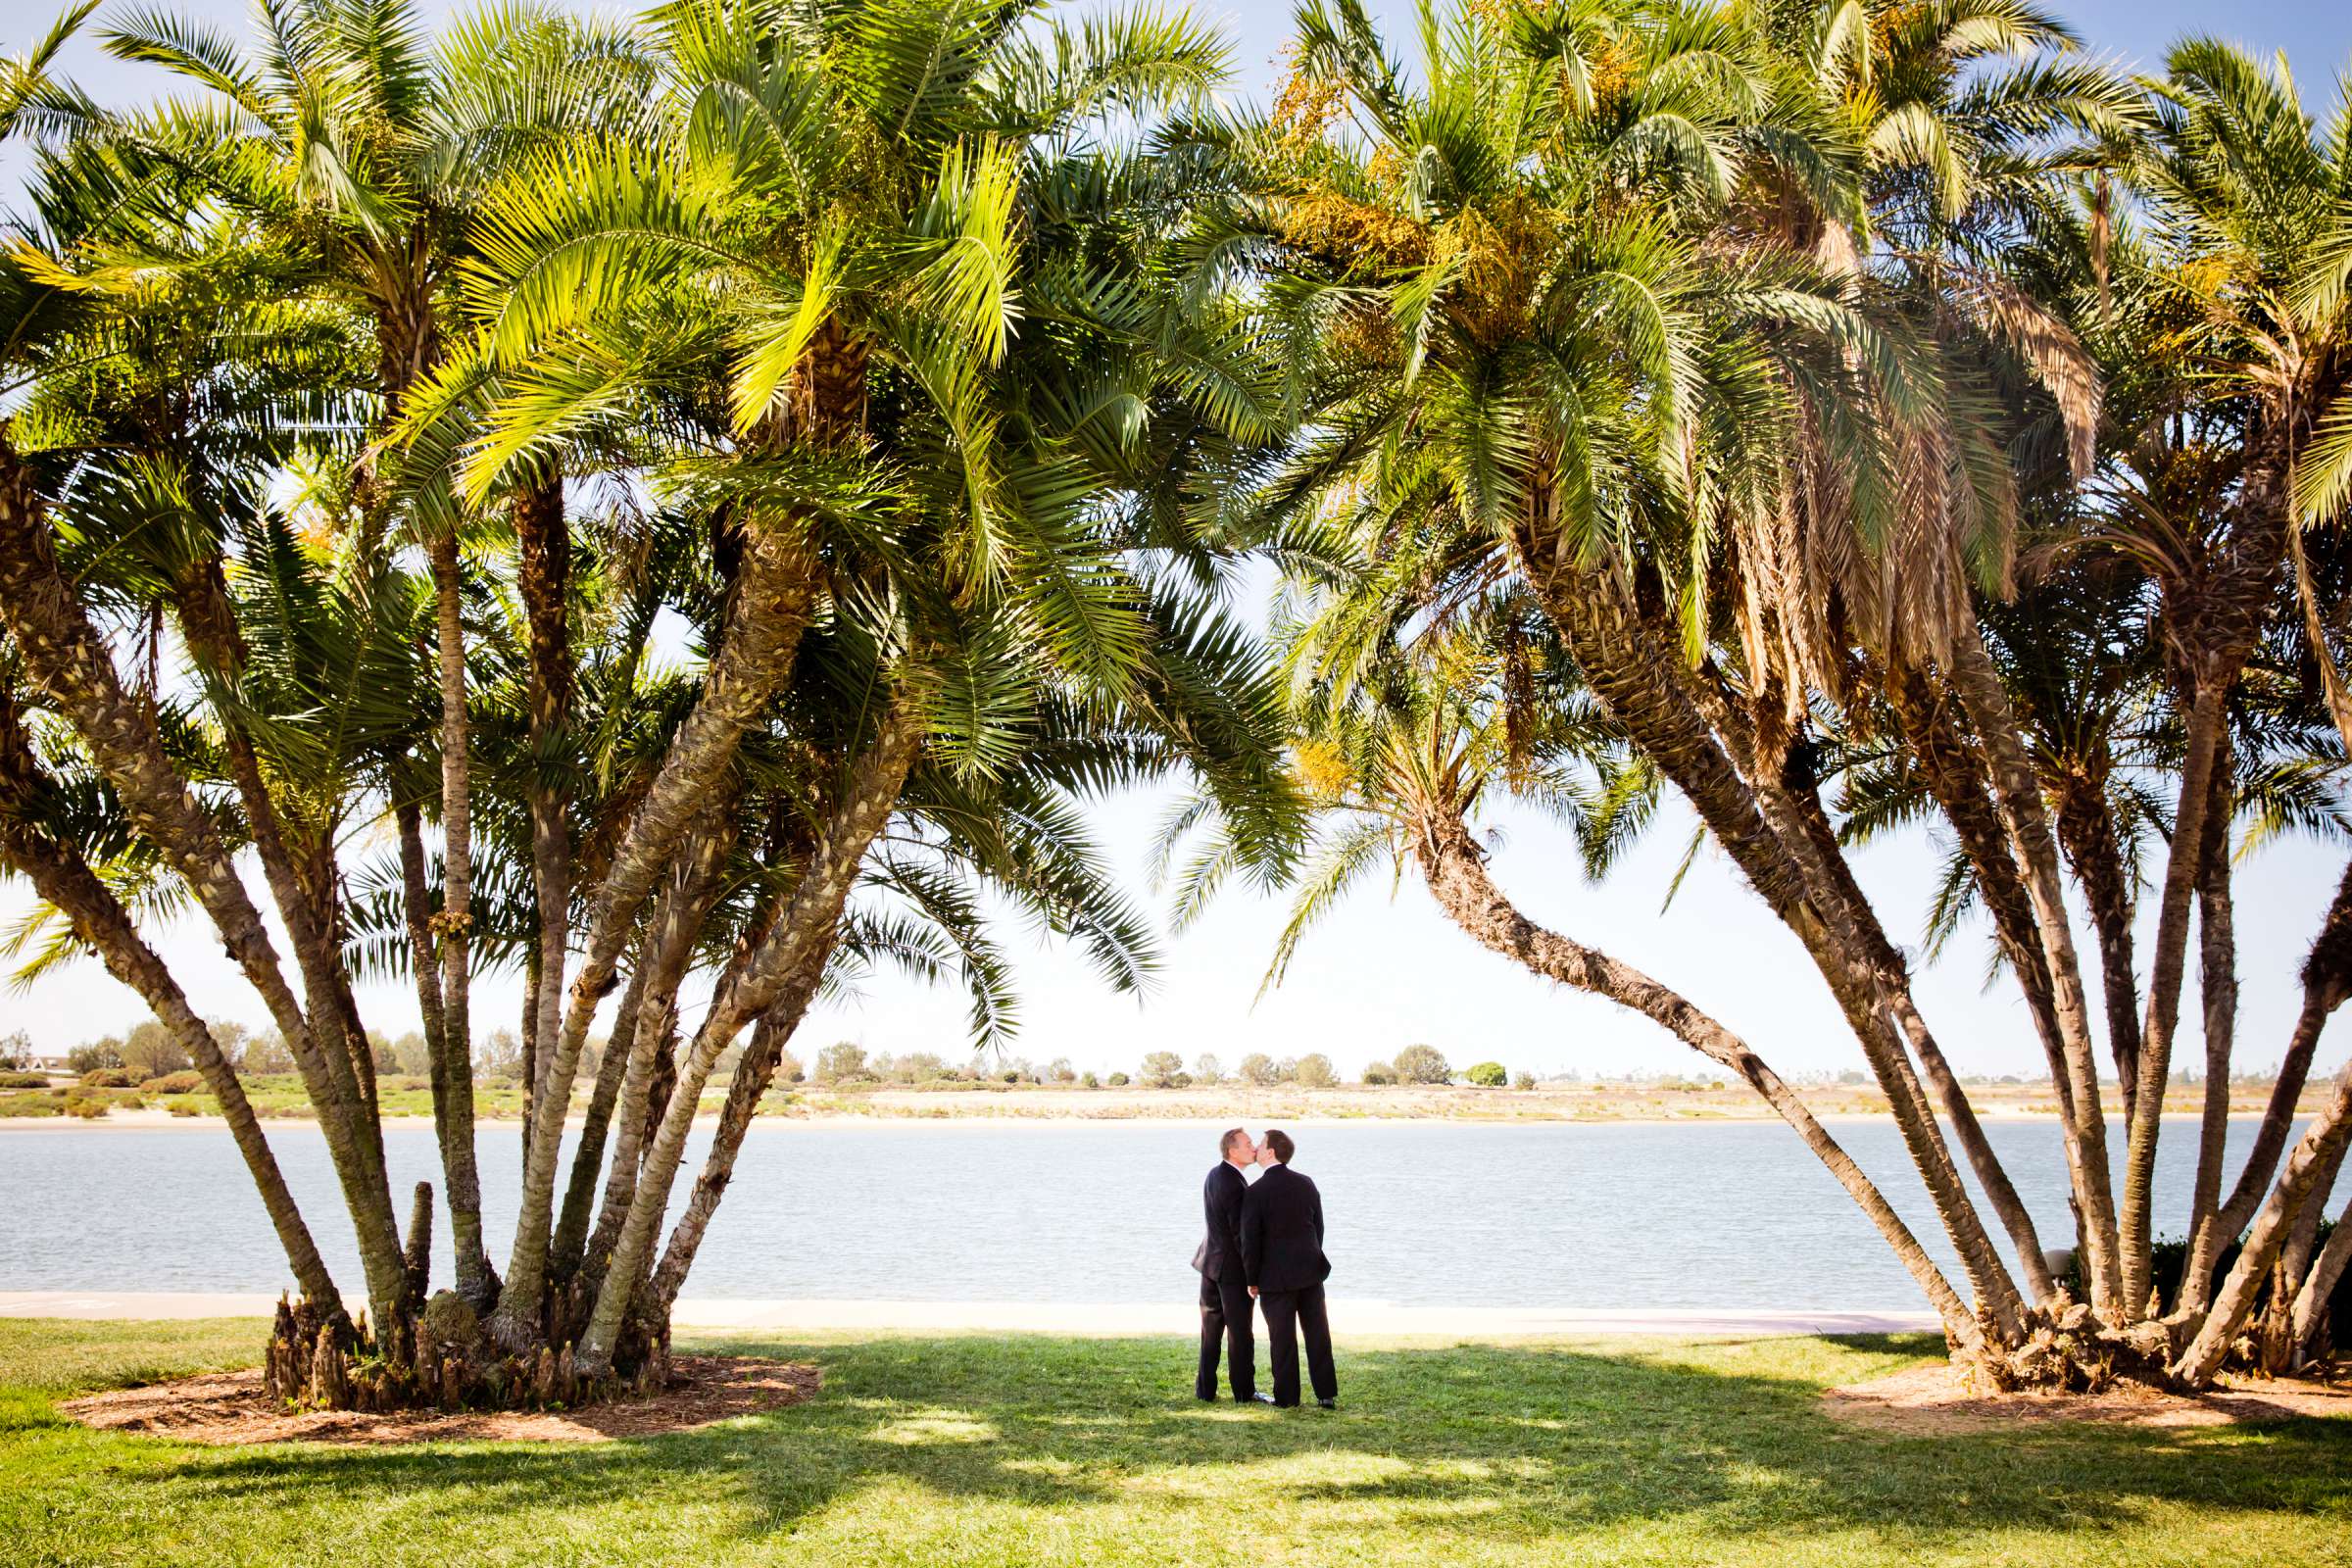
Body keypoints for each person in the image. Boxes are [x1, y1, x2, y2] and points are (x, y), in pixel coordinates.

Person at [1240, 1127, 1337, 1409]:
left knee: (1282, 1339)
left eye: (1260, 1144)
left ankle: (1288, 1398)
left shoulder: (1255, 1191)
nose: (1256, 1147)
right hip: (1310, 1272)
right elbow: (1318, 1227)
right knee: (1318, 1334)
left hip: (1275, 1279)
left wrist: (1251, 1278)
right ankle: (1326, 1394)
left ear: (1271, 1152)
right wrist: (1311, 1256)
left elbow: (1250, 1241)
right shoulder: (1306, 1183)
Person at [1193, 1126, 1269, 1402]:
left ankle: (1205, 1391)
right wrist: (1253, 1276)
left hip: (1209, 1262)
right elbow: (1241, 1235)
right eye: (1248, 1144)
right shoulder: (1234, 1183)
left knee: (1210, 1330)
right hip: (1231, 1269)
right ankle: (1244, 1392)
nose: (1254, 1148)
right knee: (1240, 1333)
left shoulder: (1215, 1174)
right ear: (1232, 1150)